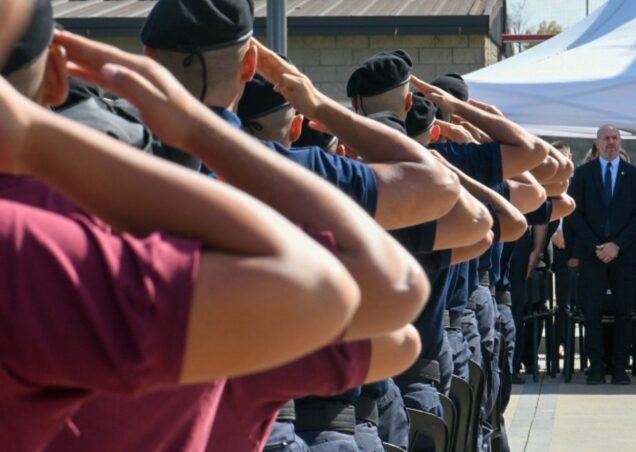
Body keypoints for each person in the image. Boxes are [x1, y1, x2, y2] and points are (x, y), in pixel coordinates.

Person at [0, 2, 364, 449]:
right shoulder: (69, 252)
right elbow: (390, 289)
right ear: (250, 62)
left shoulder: (39, 235)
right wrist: (196, 132)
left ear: (152, 59)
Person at [569, 124, 636, 385]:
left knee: (625, 312)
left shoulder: (634, 176)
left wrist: (617, 246)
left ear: (620, 141)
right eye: (606, 138)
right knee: (592, 313)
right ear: (597, 142)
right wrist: (597, 246)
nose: (611, 142)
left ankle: (620, 368)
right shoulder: (582, 174)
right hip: (593, 257)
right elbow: (574, 215)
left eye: (615, 138)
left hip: (624, 257)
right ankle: (596, 368)